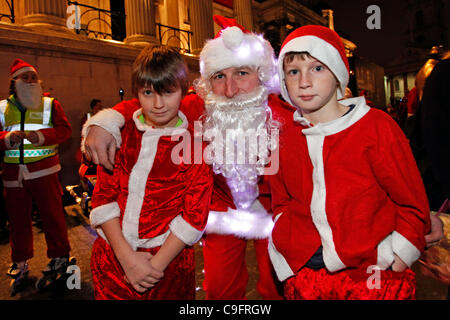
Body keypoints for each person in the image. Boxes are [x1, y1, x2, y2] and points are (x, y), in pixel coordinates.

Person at [83, 16, 291, 300]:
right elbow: (153, 98)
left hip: (273, 214)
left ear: (263, 74)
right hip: (220, 211)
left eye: (241, 73)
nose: (230, 90)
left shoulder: (286, 117)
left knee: (277, 288)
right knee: (220, 290)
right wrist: (105, 121)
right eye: (219, 76)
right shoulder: (197, 107)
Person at [268, 25, 431, 300]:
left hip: (374, 278)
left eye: (317, 68)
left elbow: (412, 203)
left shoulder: (376, 127)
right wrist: (287, 240)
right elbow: (280, 201)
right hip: (307, 278)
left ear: (337, 74)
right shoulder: (283, 136)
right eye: (294, 72)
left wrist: (397, 255)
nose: (304, 81)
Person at [89, 45, 214, 300]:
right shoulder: (121, 134)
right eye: (148, 93)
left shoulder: (195, 144)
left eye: (168, 92)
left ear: (183, 90)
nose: (157, 104)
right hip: (113, 260)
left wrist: (153, 268)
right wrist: (128, 260)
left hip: (168, 266)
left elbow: (194, 216)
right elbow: (103, 197)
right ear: (137, 93)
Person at [0, 59, 72, 278]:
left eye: (33, 78)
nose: (30, 81)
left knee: (52, 216)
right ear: (15, 82)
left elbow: (64, 131)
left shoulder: (51, 105)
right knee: (17, 220)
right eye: (25, 77)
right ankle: (20, 261)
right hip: (13, 176)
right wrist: (7, 139)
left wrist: (41, 136)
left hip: (45, 172)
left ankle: (59, 256)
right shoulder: (1, 108)